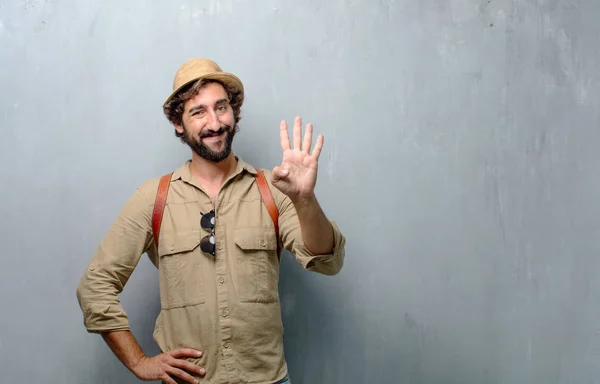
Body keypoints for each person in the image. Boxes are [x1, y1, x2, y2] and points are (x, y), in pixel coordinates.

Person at [76, 58, 346, 384]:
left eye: (221, 108)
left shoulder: (273, 189)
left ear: (234, 113)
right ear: (178, 123)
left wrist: (305, 200)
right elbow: (95, 287)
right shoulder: (154, 198)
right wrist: (140, 362)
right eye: (198, 111)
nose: (214, 123)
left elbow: (326, 261)